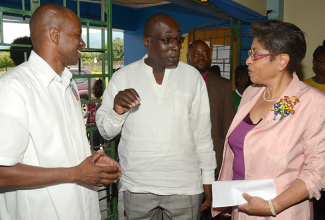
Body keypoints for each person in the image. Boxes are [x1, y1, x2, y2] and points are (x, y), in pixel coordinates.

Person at [0, 4, 121, 220]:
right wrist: (75, 173)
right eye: (77, 35)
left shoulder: (68, 82)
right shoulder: (13, 87)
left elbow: (63, 150)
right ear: (55, 35)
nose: (82, 43)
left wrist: (92, 163)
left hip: (81, 209)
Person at [96, 13, 216, 219]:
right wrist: (117, 111)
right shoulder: (123, 76)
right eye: (167, 40)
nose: (176, 46)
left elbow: (202, 133)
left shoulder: (192, 77)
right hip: (137, 184)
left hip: (185, 185)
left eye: (178, 39)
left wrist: (208, 178)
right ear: (147, 42)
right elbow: (106, 132)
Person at [212, 20, 325, 220]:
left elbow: (317, 171)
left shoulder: (313, 103)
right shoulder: (251, 93)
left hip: (280, 213)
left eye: (255, 54)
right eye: (249, 54)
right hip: (241, 210)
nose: (248, 61)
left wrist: (273, 206)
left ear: (282, 61)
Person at [187, 40, 235, 179]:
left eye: (205, 53)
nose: (201, 57)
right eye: (196, 53)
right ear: (187, 57)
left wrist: (227, 152)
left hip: (213, 152)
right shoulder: (175, 82)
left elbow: (228, 122)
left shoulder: (224, 85)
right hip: (181, 153)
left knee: (210, 198)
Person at [88, 79, 104, 149]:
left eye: (97, 89)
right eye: (93, 89)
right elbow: (88, 117)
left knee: (105, 148)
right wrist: (87, 130)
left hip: (101, 129)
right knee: (94, 149)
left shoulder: (104, 103)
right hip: (93, 128)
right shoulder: (91, 102)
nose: (94, 91)